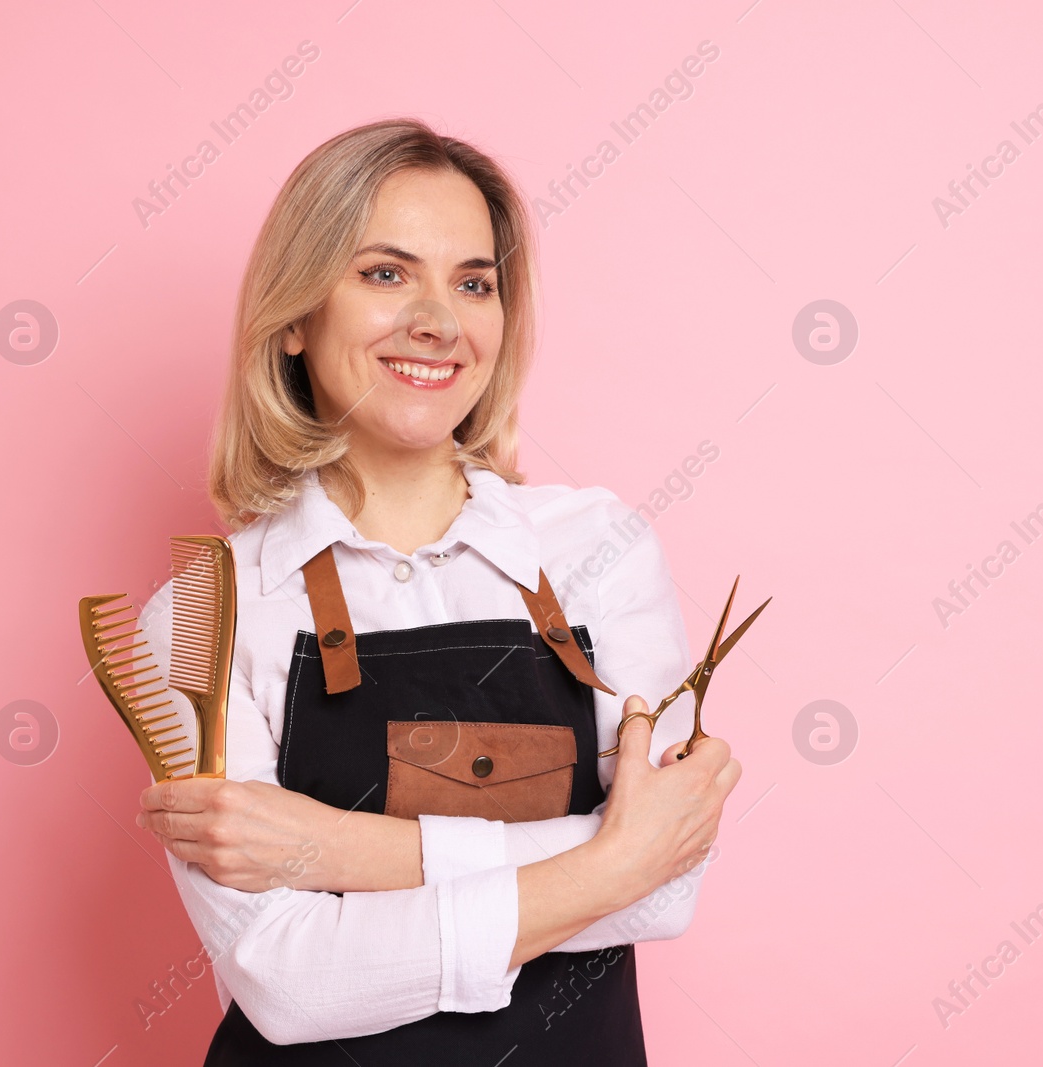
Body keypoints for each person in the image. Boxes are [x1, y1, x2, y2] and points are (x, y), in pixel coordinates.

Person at [131, 118, 742, 1064]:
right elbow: (289, 981)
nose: (440, 321)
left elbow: (666, 885)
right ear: (293, 316)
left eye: (473, 282)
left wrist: (346, 852)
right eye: (385, 273)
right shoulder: (205, 615)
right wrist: (604, 861)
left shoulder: (599, 546)